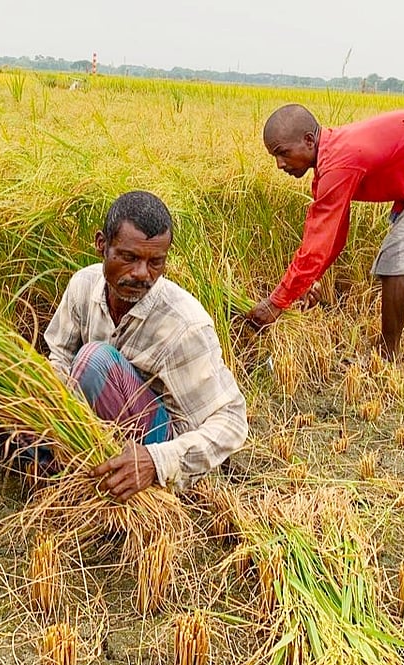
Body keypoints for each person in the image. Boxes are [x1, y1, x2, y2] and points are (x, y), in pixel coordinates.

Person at [41, 191, 248, 502]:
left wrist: (157, 461)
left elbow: (231, 420)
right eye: (129, 257)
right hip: (101, 428)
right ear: (102, 244)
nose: (142, 274)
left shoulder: (184, 326)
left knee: (95, 361)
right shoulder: (83, 286)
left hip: (158, 447)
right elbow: (59, 358)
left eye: (155, 262)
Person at [244, 105, 404, 357]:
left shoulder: (339, 164)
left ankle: (387, 354)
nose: (280, 164)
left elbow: (317, 245)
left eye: (283, 153)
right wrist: (307, 281)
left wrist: (275, 303)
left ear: (308, 140)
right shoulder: (331, 159)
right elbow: (333, 237)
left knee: (395, 261)